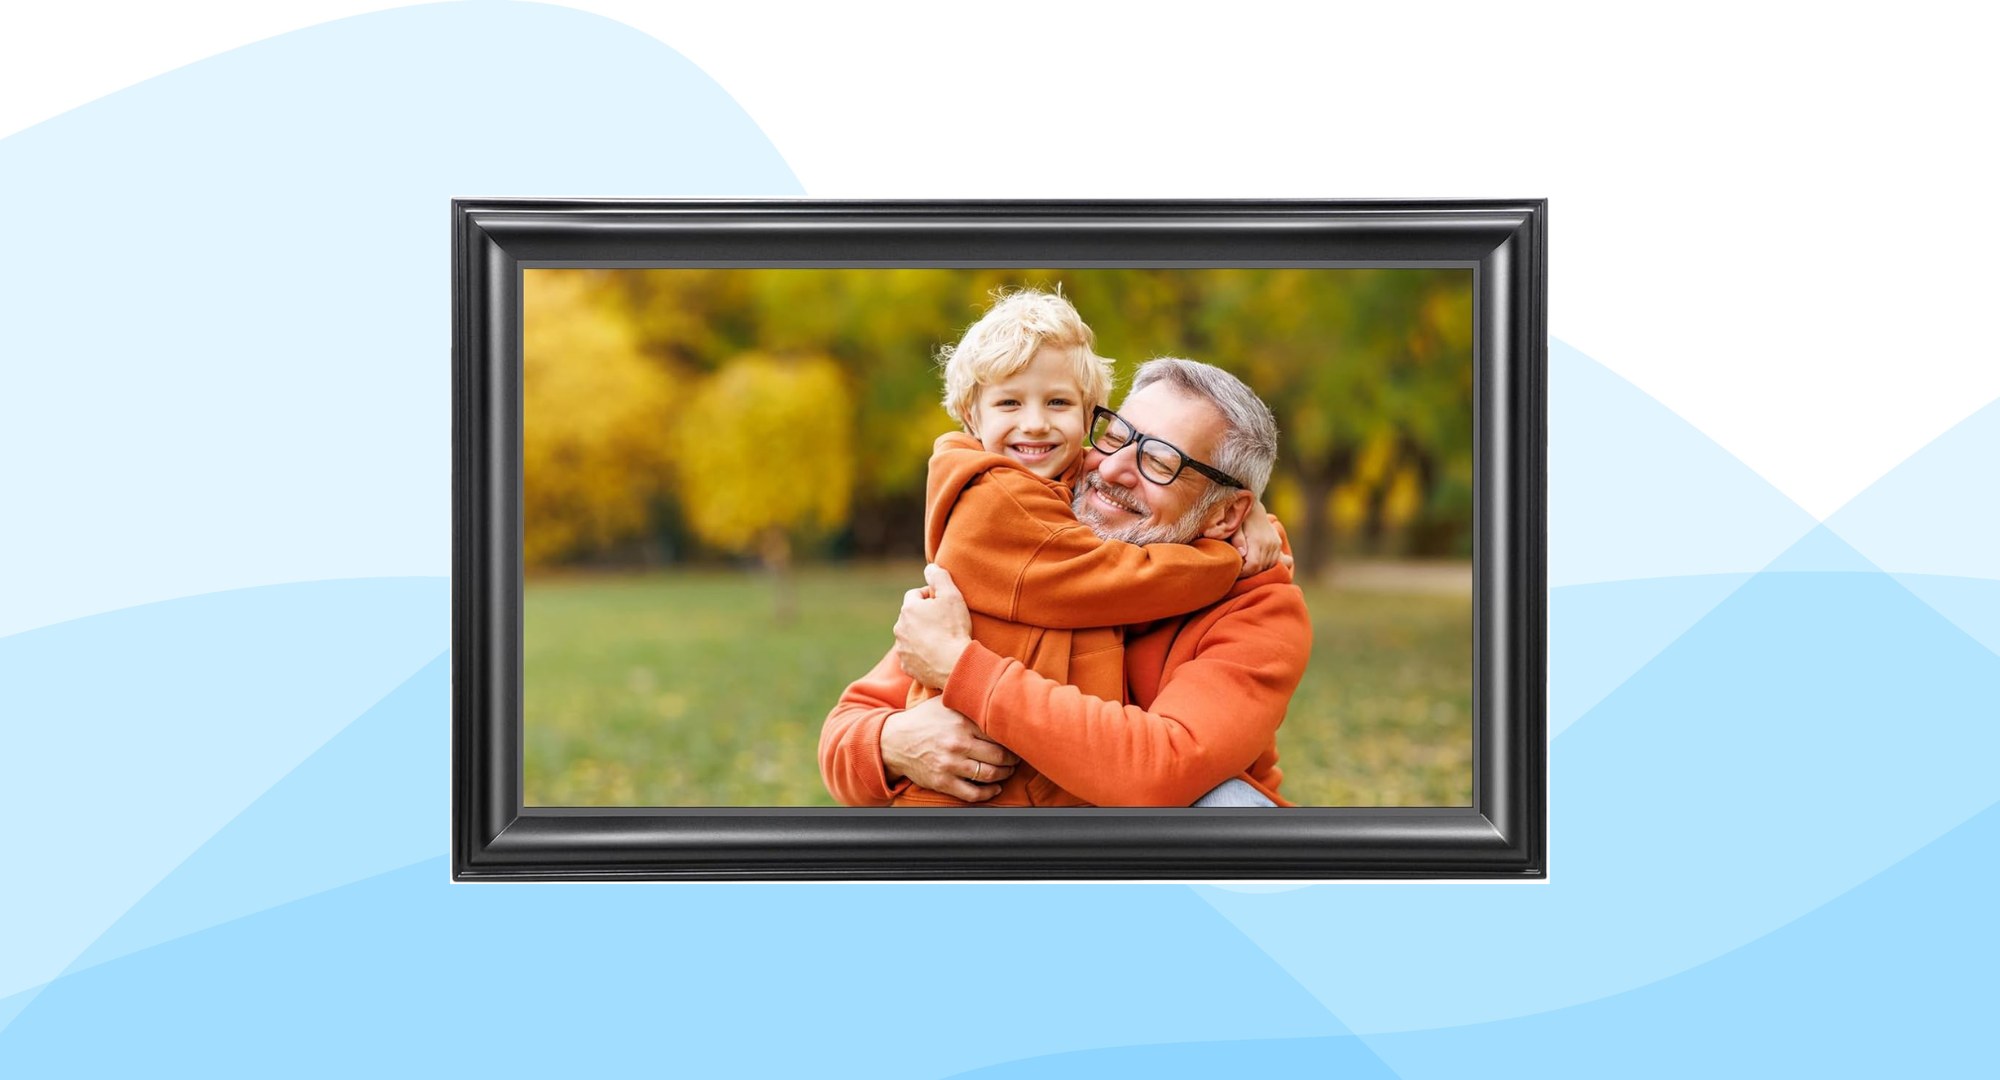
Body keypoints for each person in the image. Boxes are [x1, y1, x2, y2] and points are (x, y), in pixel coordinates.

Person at [819, 356, 1312, 807]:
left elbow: (1162, 768)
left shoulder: (1260, 609)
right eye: (1117, 435)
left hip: (1144, 865)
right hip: (1010, 856)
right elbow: (844, 731)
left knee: (1230, 807)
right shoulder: (1040, 548)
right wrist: (893, 743)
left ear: (1227, 514)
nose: (1114, 469)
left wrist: (962, 670)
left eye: (1161, 462)